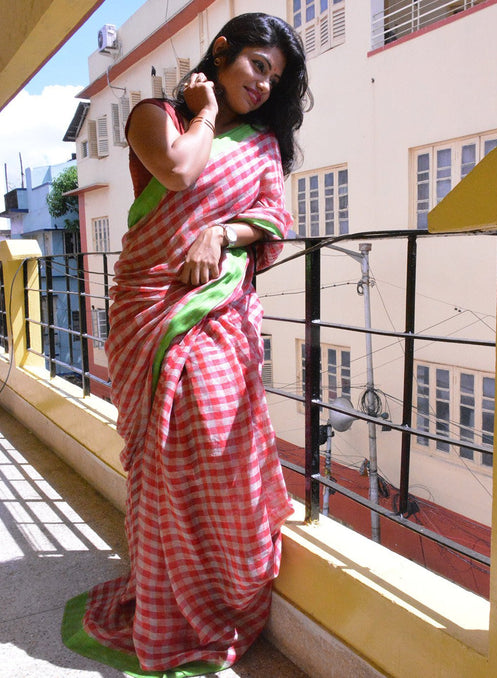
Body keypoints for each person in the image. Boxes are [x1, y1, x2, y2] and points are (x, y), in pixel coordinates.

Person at [62, 12, 309, 677]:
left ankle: (227, 588)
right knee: (166, 457)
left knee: (220, 444)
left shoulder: (261, 147)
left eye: (275, 79)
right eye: (258, 66)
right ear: (221, 52)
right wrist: (200, 112)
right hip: (148, 305)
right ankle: (168, 596)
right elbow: (175, 173)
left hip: (218, 314)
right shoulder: (151, 115)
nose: (263, 86)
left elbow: (272, 220)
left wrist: (221, 234)